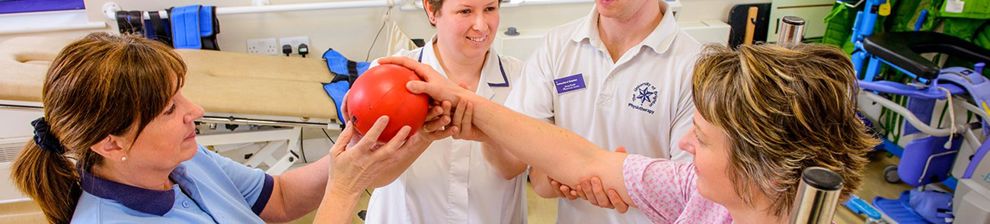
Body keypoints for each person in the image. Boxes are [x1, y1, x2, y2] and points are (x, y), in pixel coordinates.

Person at [383, 43, 878, 223]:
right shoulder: (697, 195)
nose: (685, 143)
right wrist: (470, 107)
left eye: (702, 140)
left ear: (768, 169)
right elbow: (586, 160)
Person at [10, 33, 451, 224]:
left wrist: (360, 149)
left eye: (183, 95)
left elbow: (277, 199)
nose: (195, 110)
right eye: (169, 109)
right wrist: (342, 193)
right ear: (110, 141)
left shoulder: (180, 163)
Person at [503, 0, 702, 222]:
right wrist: (557, 174)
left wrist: (615, 175)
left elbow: (690, 193)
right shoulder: (557, 45)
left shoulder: (696, 67)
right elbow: (536, 176)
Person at [362, 0, 527, 222]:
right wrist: (422, 136)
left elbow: (513, 169)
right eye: (465, 11)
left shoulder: (521, 77)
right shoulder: (390, 76)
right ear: (431, 9)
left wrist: (488, 128)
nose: (481, 25)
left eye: (490, 9)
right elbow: (371, 175)